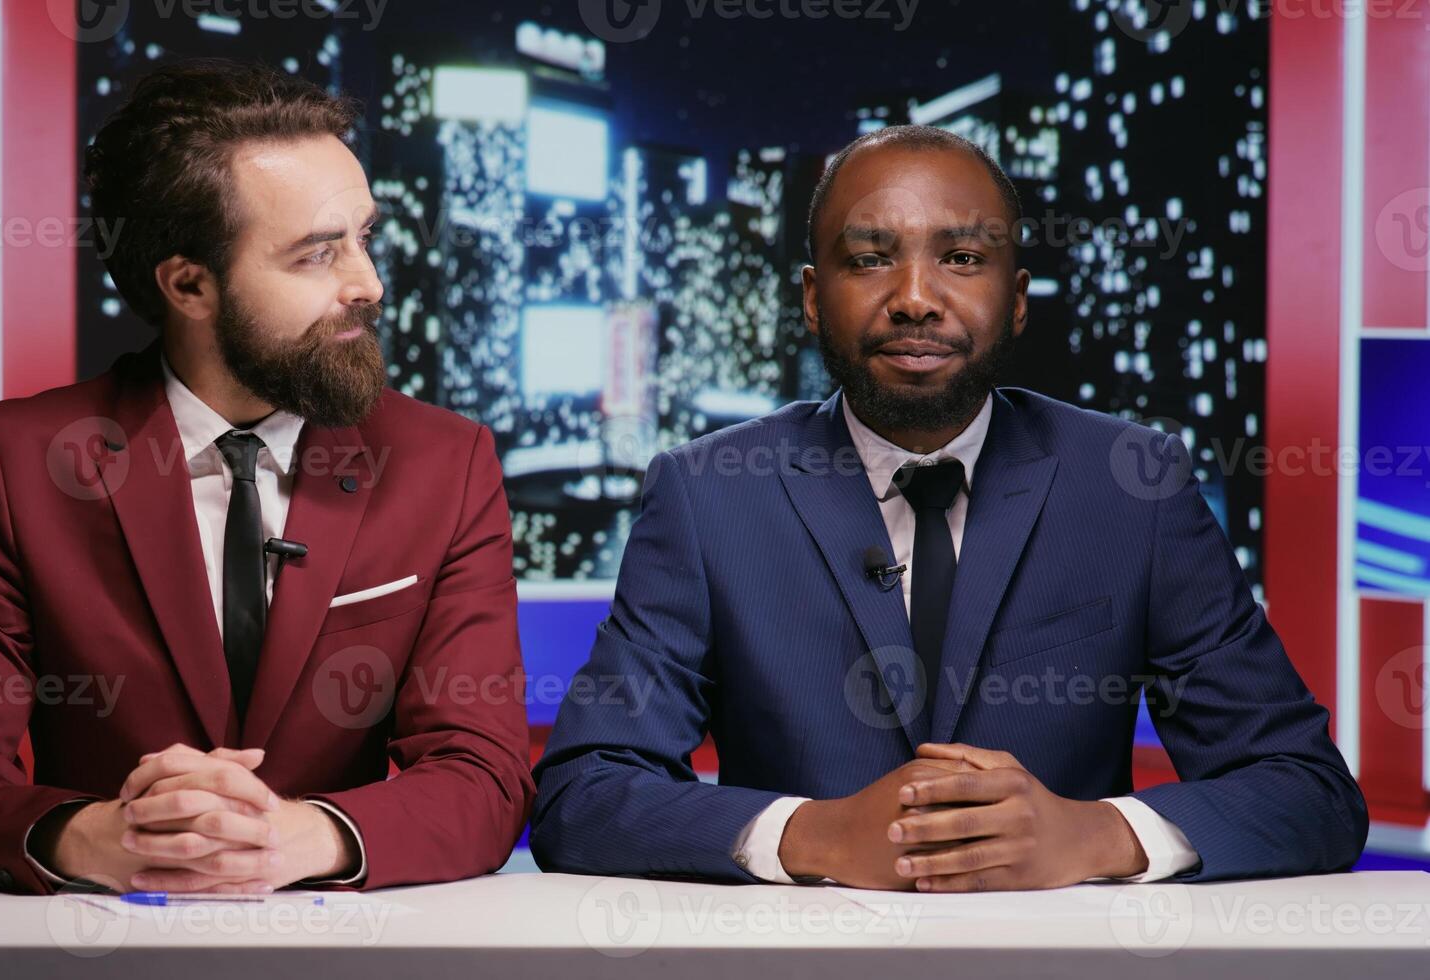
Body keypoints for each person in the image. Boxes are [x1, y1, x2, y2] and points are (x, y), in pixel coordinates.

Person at [530, 125, 1366, 891]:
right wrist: (811, 836)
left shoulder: (1132, 485)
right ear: (814, 297)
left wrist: (1094, 836)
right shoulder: (709, 493)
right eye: (870, 260)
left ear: (1020, 297)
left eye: (962, 258)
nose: (916, 298)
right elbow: (583, 794)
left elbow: (1309, 791)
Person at [0, 60, 532, 895]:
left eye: (364, 237)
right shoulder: (21, 462)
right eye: (316, 256)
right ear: (189, 284)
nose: (367, 284)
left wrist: (306, 836)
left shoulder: (447, 463)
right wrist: (95, 837)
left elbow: (486, 778)